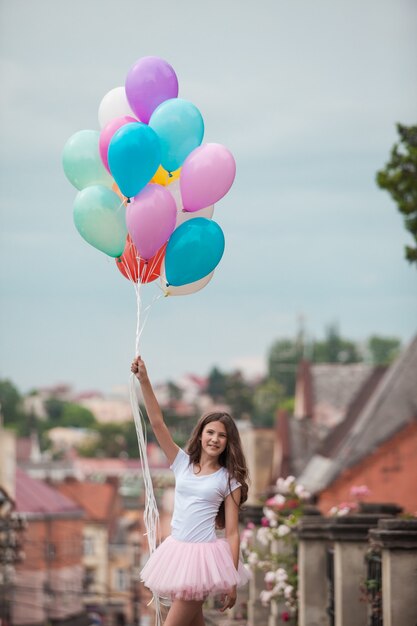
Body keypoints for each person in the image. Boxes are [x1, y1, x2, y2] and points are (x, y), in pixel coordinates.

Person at [131, 356, 250, 626]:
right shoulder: (182, 463)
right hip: (176, 552)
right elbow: (158, 424)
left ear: (228, 443)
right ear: (200, 434)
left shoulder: (229, 480)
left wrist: (231, 581)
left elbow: (232, 533)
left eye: (222, 436)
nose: (215, 439)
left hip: (203, 558)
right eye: (210, 432)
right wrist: (145, 380)